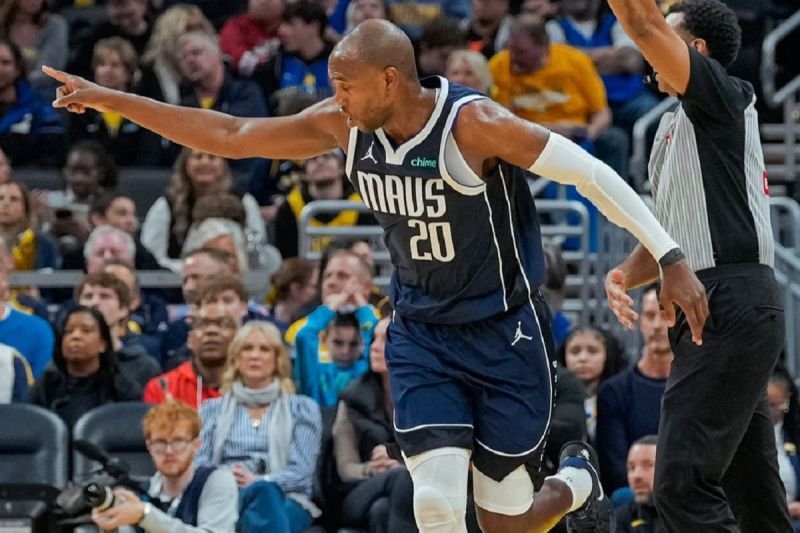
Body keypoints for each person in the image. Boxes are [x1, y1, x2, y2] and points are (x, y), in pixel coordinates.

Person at [45, 18, 707, 532]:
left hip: (504, 330)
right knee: (437, 503)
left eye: (345, 84)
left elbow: (590, 173)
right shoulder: (344, 124)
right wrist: (112, 99)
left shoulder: (474, 125)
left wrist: (670, 257)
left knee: (508, 520)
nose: (334, 97)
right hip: (422, 332)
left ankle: (577, 478)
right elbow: (232, 133)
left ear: (390, 80)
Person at [602, 0, 789, 530]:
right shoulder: (671, 127)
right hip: (716, 304)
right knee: (753, 494)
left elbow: (642, 23)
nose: (648, 54)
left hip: (730, 299)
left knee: (680, 484)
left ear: (696, 51)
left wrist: (644, 22)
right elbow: (669, 237)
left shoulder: (720, 97)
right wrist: (624, 275)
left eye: (666, 39)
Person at [195, 321, 322, 532]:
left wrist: (259, 481)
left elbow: (301, 473)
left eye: (264, 349)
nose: (255, 356)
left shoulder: (302, 409)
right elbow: (200, 464)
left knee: (263, 496)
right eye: (247, 348)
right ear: (236, 359)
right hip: (226, 495)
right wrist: (226, 479)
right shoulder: (211, 410)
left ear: (277, 359)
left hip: (287, 498)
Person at [90, 400, 239, 532]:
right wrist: (111, 526)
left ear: (196, 445)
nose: (169, 451)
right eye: (160, 442)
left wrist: (145, 515)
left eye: (178, 441)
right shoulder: (142, 491)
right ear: (149, 446)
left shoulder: (217, 480)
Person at [596, 286, 672, 493]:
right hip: (632, 499)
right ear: (640, 322)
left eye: (666, 315)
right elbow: (614, 468)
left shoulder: (698, 389)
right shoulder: (613, 392)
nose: (657, 325)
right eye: (650, 316)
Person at [614, 435, 665, 533]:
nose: (637, 476)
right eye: (631, 467)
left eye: (648, 465)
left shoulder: (689, 516)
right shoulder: (620, 518)